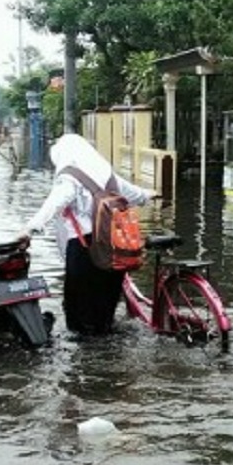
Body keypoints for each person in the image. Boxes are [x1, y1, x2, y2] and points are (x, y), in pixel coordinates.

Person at [17, 134, 156, 336]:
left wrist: (29, 229)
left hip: (84, 247)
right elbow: (131, 194)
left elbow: (55, 203)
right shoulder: (106, 174)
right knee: (107, 302)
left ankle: (84, 356)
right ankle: (106, 342)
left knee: (78, 307)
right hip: (113, 245)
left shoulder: (69, 177)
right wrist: (148, 194)